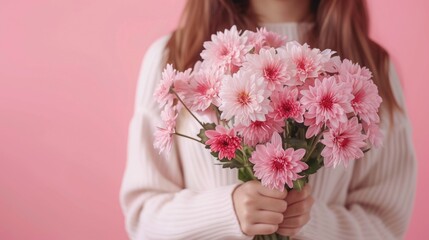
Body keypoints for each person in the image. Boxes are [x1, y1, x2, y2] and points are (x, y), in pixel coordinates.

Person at [120, 0, 417, 239]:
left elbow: (386, 225)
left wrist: (309, 222)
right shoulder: (172, 56)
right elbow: (143, 219)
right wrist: (227, 211)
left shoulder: (372, 66)